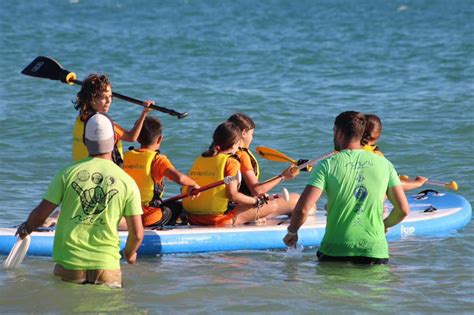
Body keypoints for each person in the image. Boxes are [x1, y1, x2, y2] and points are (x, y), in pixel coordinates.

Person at [16, 113, 144, 287]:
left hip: (70, 264)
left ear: (85, 140)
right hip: (106, 267)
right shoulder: (126, 181)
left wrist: (26, 228)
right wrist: (130, 253)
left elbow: (41, 213)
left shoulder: (67, 173)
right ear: (115, 139)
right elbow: (137, 233)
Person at [283, 111, 410, 265]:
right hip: (375, 251)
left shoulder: (327, 164)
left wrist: (292, 232)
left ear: (339, 132)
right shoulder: (385, 164)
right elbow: (403, 209)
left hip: (335, 250)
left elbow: (304, 208)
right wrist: (385, 224)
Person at [182, 122, 298, 226]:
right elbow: (232, 194)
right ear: (235, 143)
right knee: (272, 205)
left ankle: (254, 216)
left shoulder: (201, 158)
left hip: (192, 216)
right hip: (217, 219)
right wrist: (256, 202)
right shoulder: (231, 161)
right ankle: (249, 218)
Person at [122, 116, 200, 227]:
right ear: (160, 139)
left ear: (138, 138)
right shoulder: (157, 159)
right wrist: (193, 184)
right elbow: (179, 178)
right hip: (148, 217)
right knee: (178, 207)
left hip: (129, 214)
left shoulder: (127, 156)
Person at [227, 113, 300, 220]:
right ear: (243, 133)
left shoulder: (217, 152)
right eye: (252, 134)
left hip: (226, 205)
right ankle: (255, 218)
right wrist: (283, 176)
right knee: (299, 201)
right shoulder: (242, 155)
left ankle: (258, 216)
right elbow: (257, 190)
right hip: (235, 210)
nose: (252, 138)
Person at [72, 73, 153, 165]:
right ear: (91, 98)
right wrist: (144, 113)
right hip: (105, 172)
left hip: (81, 169)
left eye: (110, 96)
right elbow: (132, 137)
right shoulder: (103, 124)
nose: (108, 101)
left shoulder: (79, 120)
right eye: (103, 97)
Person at [362, 114, 428, 191]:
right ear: (378, 135)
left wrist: (399, 177)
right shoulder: (376, 156)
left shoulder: (348, 150)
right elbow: (393, 185)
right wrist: (418, 183)